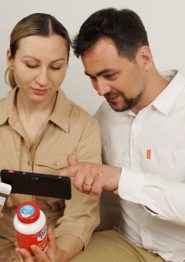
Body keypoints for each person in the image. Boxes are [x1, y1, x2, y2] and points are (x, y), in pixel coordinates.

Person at [58, 8, 185, 262]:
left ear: (145, 58)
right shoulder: (106, 114)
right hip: (127, 244)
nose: (100, 89)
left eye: (109, 75)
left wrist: (121, 179)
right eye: (92, 78)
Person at [0, 13, 101, 262]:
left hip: (54, 250)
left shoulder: (85, 128)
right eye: (31, 65)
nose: (44, 79)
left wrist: (59, 253)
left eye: (56, 67)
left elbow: (82, 214)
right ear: (10, 59)